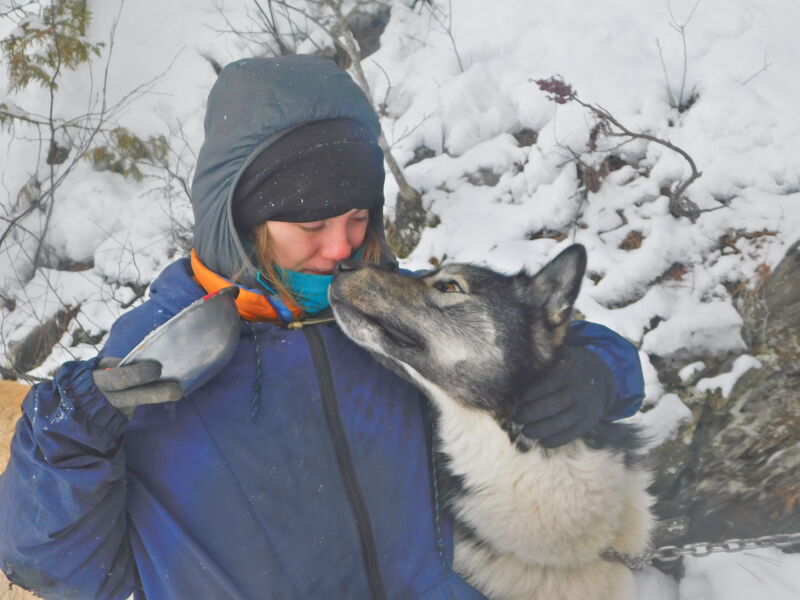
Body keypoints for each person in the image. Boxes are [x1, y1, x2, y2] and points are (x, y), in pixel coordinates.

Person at [0, 55, 644, 600]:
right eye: (311, 226)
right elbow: (49, 565)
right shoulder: (155, 358)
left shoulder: (389, 315)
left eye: (359, 215)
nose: (342, 247)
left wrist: (598, 369)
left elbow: (523, 333)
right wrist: (67, 439)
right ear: (243, 222)